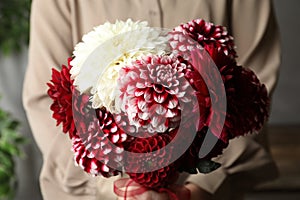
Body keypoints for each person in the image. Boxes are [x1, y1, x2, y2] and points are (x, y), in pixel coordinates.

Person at [23, 0, 281, 199]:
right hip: (90, 194)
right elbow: (47, 102)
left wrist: (202, 186)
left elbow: (254, 91)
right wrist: (112, 185)